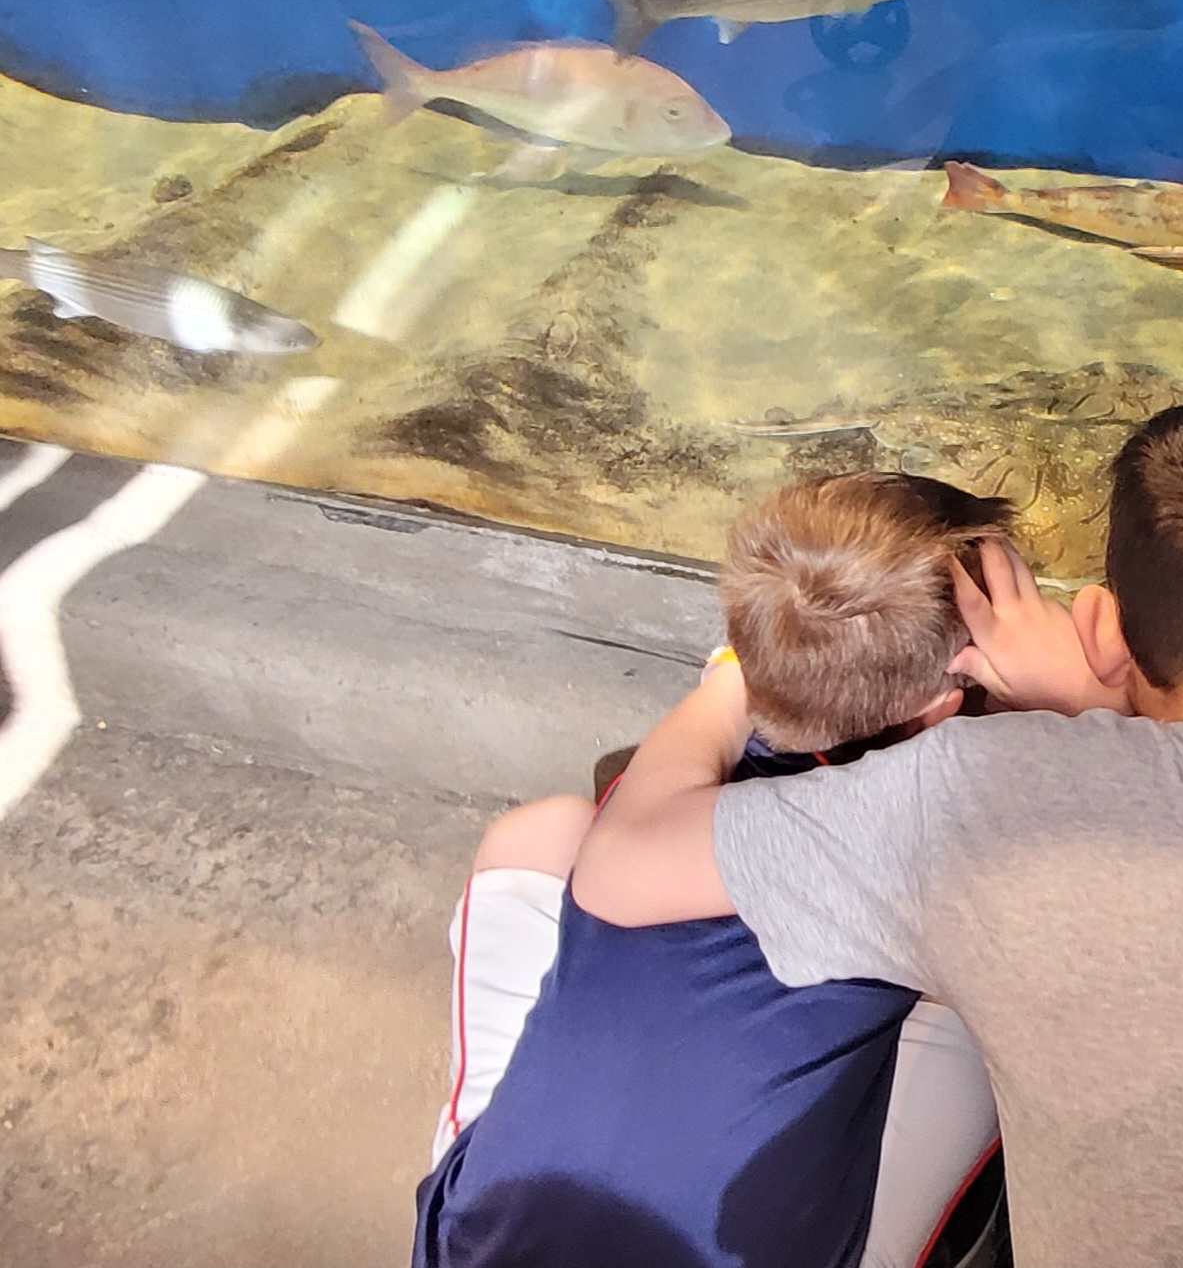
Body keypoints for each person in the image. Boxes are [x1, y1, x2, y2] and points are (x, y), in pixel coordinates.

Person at [574, 387, 1183, 1268]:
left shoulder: (973, 799)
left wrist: (732, 680)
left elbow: (616, 869)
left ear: (1100, 629)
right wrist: (1099, 706)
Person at [415, 473, 1012, 1268]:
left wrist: (749, 667)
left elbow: (678, 769)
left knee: (541, 834)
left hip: (481, 1244)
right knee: (984, 1012)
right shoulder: (930, 834)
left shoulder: (645, 812)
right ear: (940, 705)